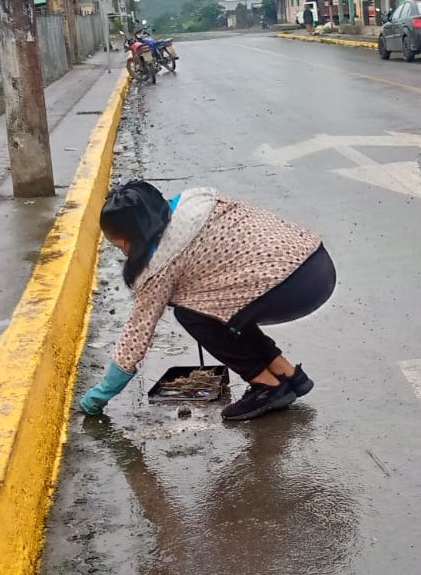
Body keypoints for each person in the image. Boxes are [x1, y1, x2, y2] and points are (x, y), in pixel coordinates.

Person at [79, 181, 336, 422]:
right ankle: (287, 372)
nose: (125, 252)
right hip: (317, 262)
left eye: (121, 246)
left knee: (191, 314)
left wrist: (100, 394)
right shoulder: (198, 199)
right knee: (218, 299)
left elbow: (136, 336)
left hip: (289, 287)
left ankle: (266, 386)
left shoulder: (159, 265)